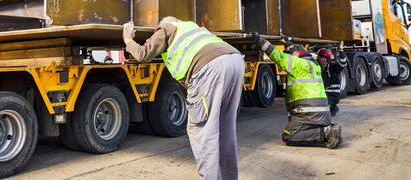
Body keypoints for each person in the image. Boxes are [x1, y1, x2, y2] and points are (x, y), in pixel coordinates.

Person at [123, 17, 244, 180]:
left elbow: (143, 54)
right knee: (225, 128)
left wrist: (128, 39)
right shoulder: (192, 27)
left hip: (208, 68)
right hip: (234, 60)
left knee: (202, 131)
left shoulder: (166, 27)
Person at [252, 34, 342, 148]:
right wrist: (287, 42)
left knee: (288, 135)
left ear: (297, 54)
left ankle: (326, 133)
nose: (289, 55)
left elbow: (277, 55)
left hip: (309, 112)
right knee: (294, 128)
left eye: (290, 53)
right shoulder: (314, 65)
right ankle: (327, 129)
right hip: (322, 113)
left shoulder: (297, 64)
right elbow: (301, 52)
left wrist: (260, 40)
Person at [316, 48, 348, 116]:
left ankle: (332, 108)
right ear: (318, 57)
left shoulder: (333, 67)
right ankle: (332, 108)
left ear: (328, 60)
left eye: (326, 58)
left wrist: (341, 52)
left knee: (324, 110)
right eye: (321, 57)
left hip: (332, 94)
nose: (323, 60)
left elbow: (343, 63)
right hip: (321, 94)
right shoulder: (315, 67)